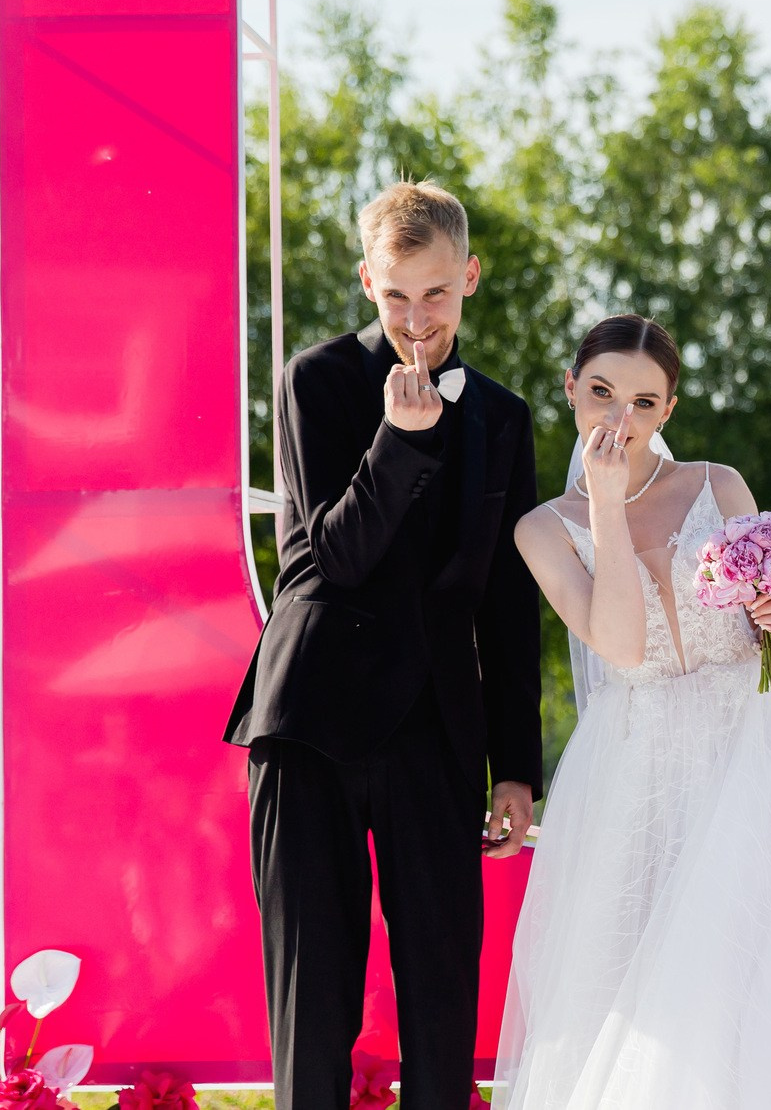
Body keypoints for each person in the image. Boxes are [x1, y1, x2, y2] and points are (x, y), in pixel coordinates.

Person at [493, 315, 771, 1110]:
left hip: (747, 761)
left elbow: (759, 630)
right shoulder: (542, 529)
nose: (617, 419)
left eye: (641, 401)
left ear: (668, 409)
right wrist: (602, 505)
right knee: (634, 993)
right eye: (600, 393)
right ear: (571, 390)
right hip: (633, 778)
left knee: (748, 980)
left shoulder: (720, 485)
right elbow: (622, 647)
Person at [224, 182, 543, 1110]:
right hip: (311, 720)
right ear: (368, 280)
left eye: (435, 293)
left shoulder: (504, 416)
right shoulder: (314, 382)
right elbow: (328, 558)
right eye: (396, 294)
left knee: (444, 1000)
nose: (415, 319)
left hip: (436, 733)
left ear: (469, 277)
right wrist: (399, 441)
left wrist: (515, 766)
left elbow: (507, 601)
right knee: (314, 999)